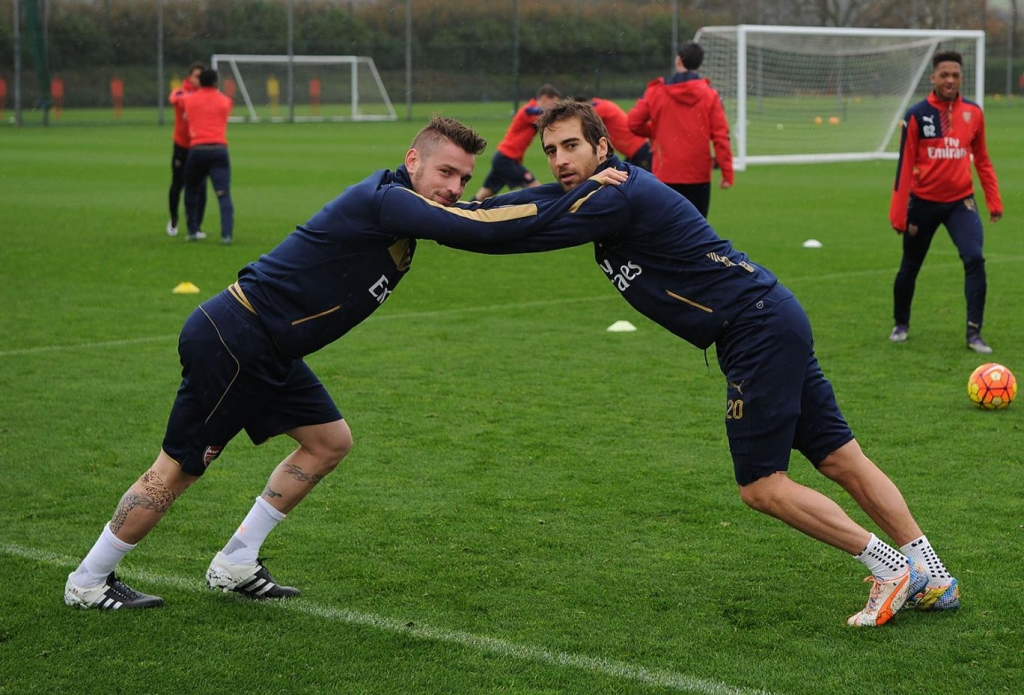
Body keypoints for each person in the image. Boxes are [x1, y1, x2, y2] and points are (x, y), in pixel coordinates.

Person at [62, 116, 620, 610]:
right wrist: (583, 195)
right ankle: (89, 579)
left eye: (463, 179)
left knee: (330, 441)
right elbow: (483, 230)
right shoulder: (389, 200)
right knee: (176, 470)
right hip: (235, 338)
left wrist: (573, 186)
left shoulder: (413, 205)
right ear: (412, 161)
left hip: (270, 346)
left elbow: (486, 209)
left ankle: (235, 561)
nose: (454, 188)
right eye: (446, 173)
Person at [452, 100, 958, 627]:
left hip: (754, 329)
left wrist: (434, 218)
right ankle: (934, 575)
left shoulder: (613, 196)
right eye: (550, 149)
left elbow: (519, 230)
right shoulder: (602, 189)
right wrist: (448, 209)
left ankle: (892, 568)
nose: (558, 159)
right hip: (772, 316)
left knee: (762, 485)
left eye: (571, 145)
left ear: (602, 147)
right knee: (838, 457)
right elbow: (528, 204)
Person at [888, 51, 1002, 353]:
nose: (950, 80)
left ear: (961, 78)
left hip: (960, 203)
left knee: (975, 258)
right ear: (933, 78)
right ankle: (901, 323)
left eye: (955, 75)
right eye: (944, 75)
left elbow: (983, 159)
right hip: (922, 204)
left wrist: (994, 201)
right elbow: (904, 165)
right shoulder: (916, 115)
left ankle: (974, 332)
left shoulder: (974, 113)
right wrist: (898, 214)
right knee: (910, 266)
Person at [627, 41, 733, 219]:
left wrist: (657, 131)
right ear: (699, 64)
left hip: (666, 172)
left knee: (665, 230)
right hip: (698, 175)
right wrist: (727, 172)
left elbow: (633, 123)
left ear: (678, 60)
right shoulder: (710, 94)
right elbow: (721, 136)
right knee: (697, 232)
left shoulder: (657, 91)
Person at [472, 84, 562, 201]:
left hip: (503, 158)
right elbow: (537, 111)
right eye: (553, 103)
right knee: (536, 187)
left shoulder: (535, 113)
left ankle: (461, 212)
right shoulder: (529, 110)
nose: (553, 107)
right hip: (507, 159)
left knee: (483, 195)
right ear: (544, 98)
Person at [179, 69, 234, 244]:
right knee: (223, 193)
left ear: (200, 82)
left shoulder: (189, 100)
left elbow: (176, 99)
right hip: (219, 149)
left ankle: (193, 230)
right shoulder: (225, 101)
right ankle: (226, 234)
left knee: (191, 190)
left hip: (198, 149)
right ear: (216, 82)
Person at [166, 62, 206, 238]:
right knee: (178, 184)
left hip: (199, 145)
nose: (198, 79)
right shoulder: (181, 91)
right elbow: (174, 98)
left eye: (201, 76)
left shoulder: (207, 95)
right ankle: (174, 218)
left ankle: (196, 224)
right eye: (196, 75)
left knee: (202, 186)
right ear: (190, 77)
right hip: (182, 145)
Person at [578, 96, 651, 171]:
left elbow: (581, 122)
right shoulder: (601, 104)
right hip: (637, 148)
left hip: (639, 149)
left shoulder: (598, 108)